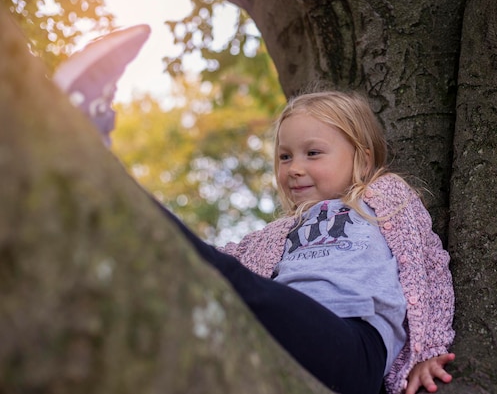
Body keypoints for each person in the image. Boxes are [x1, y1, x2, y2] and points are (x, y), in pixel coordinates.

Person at [54, 29, 455, 394]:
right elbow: (216, 263)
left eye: (312, 153)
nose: (294, 167)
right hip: (276, 343)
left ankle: (96, 167)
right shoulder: (277, 233)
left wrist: (428, 348)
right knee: (196, 281)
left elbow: (429, 265)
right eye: (284, 156)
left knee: (227, 280)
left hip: (351, 348)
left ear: (363, 160)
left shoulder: (384, 196)